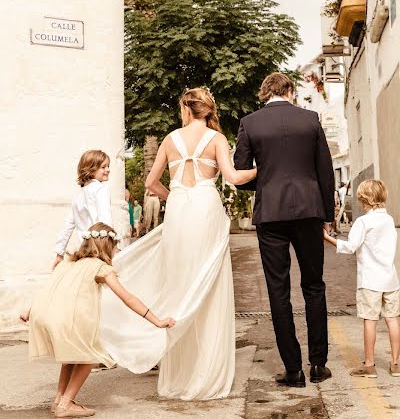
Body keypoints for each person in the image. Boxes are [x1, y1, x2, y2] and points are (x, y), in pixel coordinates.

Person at [100, 87, 257, 400]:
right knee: (207, 283)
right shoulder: (216, 139)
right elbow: (234, 178)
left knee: (178, 280)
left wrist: (172, 196)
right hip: (205, 208)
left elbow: (149, 183)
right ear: (208, 109)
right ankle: (205, 371)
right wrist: (262, 168)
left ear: (186, 110)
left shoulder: (171, 139)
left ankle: (178, 370)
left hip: (179, 211)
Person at [234, 72, 335, 387]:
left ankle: (294, 370)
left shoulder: (249, 124)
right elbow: (325, 170)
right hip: (309, 211)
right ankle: (318, 364)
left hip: (271, 214)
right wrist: (327, 215)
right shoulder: (310, 119)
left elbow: (241, 172)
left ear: (265, 93)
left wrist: (265, 183)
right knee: (314, 286)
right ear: (290, 91)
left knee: (278, 291)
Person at [21, 222, 175, 418]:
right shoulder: (101, 268)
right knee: (90, 356)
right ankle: (66, 404)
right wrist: (157, 321)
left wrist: (30, 309)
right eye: (115, 246)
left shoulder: (67, 262)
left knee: (71, 357)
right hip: (71, 318)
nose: (116, 251)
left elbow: (48, 288)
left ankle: (59, 400)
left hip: (47, 314)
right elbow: (127, 298)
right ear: (107, 246)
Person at [324, 180, 400, 378]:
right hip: (390, 279)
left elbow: (349, 247)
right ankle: (396, 364)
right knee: (392, 320)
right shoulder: (389, 220)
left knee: (370, 321)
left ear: (363, 199)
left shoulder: (363, 222)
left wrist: (326, 237)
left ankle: (369, 365)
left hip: (370, 281)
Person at [53, 150, 113, 269]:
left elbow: (68, 225)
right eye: (103, 167)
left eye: (108, 166)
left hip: (85, 250)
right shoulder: (100, 189)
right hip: (100, 249)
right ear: (91, 169)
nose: (108, 170)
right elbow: (105, 220)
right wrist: (111, 247)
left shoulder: (79, 195)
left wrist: (59, 253)